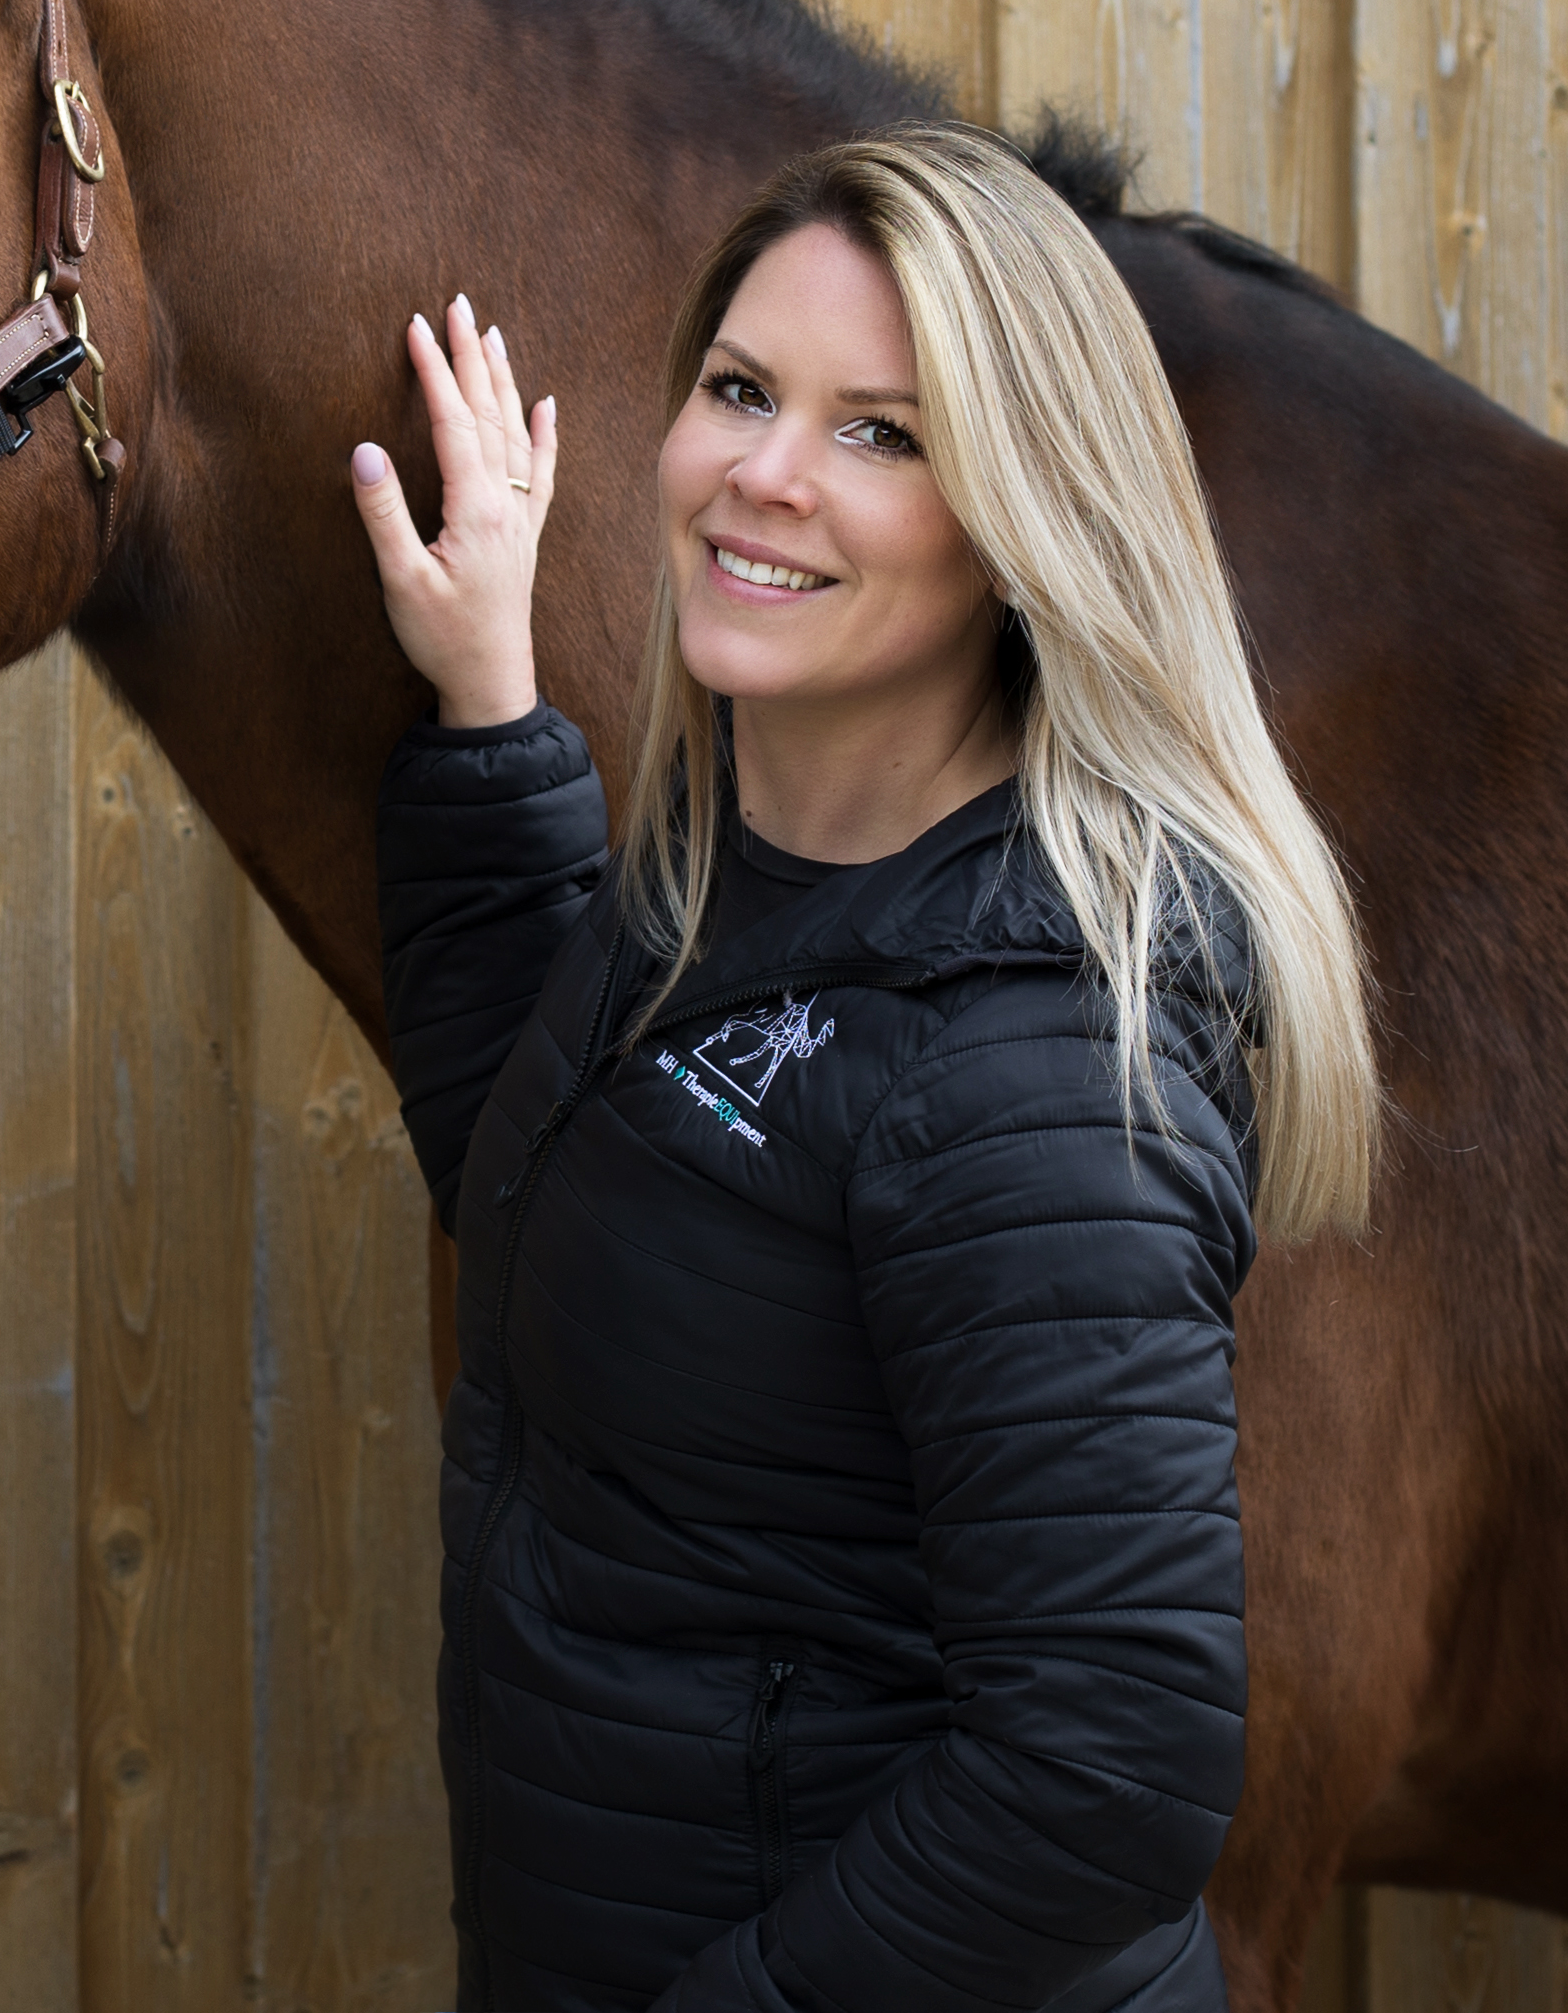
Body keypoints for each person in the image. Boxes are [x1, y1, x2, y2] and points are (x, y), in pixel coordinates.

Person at [348, 122, 1376, 2013]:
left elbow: (1106, 1767)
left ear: (1019, 528)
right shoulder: (740, 886)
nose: (765, 472)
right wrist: (491, 701)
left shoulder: (1026, 1059)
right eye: (741, 389)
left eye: (879, 433)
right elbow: (553, 1181)